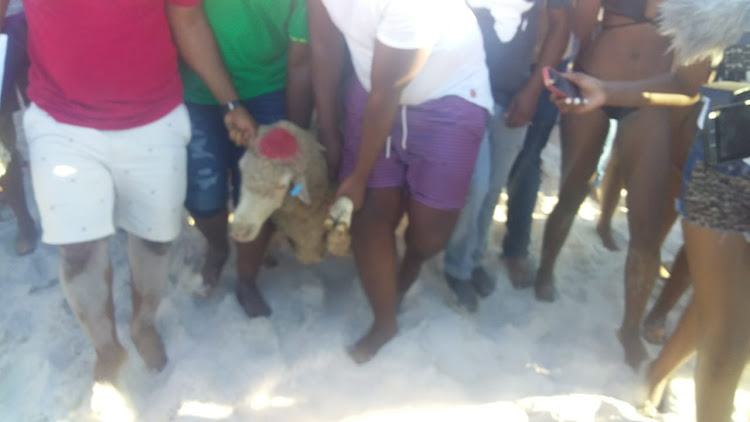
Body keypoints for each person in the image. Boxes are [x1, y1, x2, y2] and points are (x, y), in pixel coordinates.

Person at [23, 0, 256, 384]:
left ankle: (142, 323)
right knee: (78, 249)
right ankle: (106, 348)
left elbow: (187, 16)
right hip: (59, 121)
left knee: (156, 239)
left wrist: (228, 101)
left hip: (154, 117)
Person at [548, 4, 750, 417]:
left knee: (728, 310)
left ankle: (657, 370)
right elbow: (684, 81)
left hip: (714, 158)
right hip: (725, 171)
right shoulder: (731, 10)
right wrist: (606, 91)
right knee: (730, 344)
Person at [307, 0, 492, 363]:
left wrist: (358, 177)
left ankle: (409, 267)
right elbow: (323, 46)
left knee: (429, 234)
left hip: (449, 95)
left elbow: (388, 90)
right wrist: (328, 129)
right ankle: (384, 320)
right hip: (372, 87)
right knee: (368, 217)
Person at [533, 0, 712, 372]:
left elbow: (694, 66)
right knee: (572, 189)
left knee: (645, 227)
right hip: (595, 77)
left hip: (651, 97)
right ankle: (546, 268)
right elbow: (583, 27)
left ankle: (630, 328)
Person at [180, 0, 312, 318]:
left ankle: (247, 278)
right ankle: (218, 245)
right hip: (198, 85)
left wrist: (293, 133)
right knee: (202, 192)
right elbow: (184, 19)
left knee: (258, 194)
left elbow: (301, 62)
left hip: (268, 85)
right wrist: (230, 105)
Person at [442, 0, 572, 312]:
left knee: (493, 189)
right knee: (476, 185)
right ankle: (456, 266)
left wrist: (532, 91)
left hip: (513, 92)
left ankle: (472, 261)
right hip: (461, 88)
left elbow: (560, 25)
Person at [0, 0, 35, 256]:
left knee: (56, 124)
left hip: (32, 26)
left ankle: (71, 206)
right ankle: (24, 222)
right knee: (2, 146)